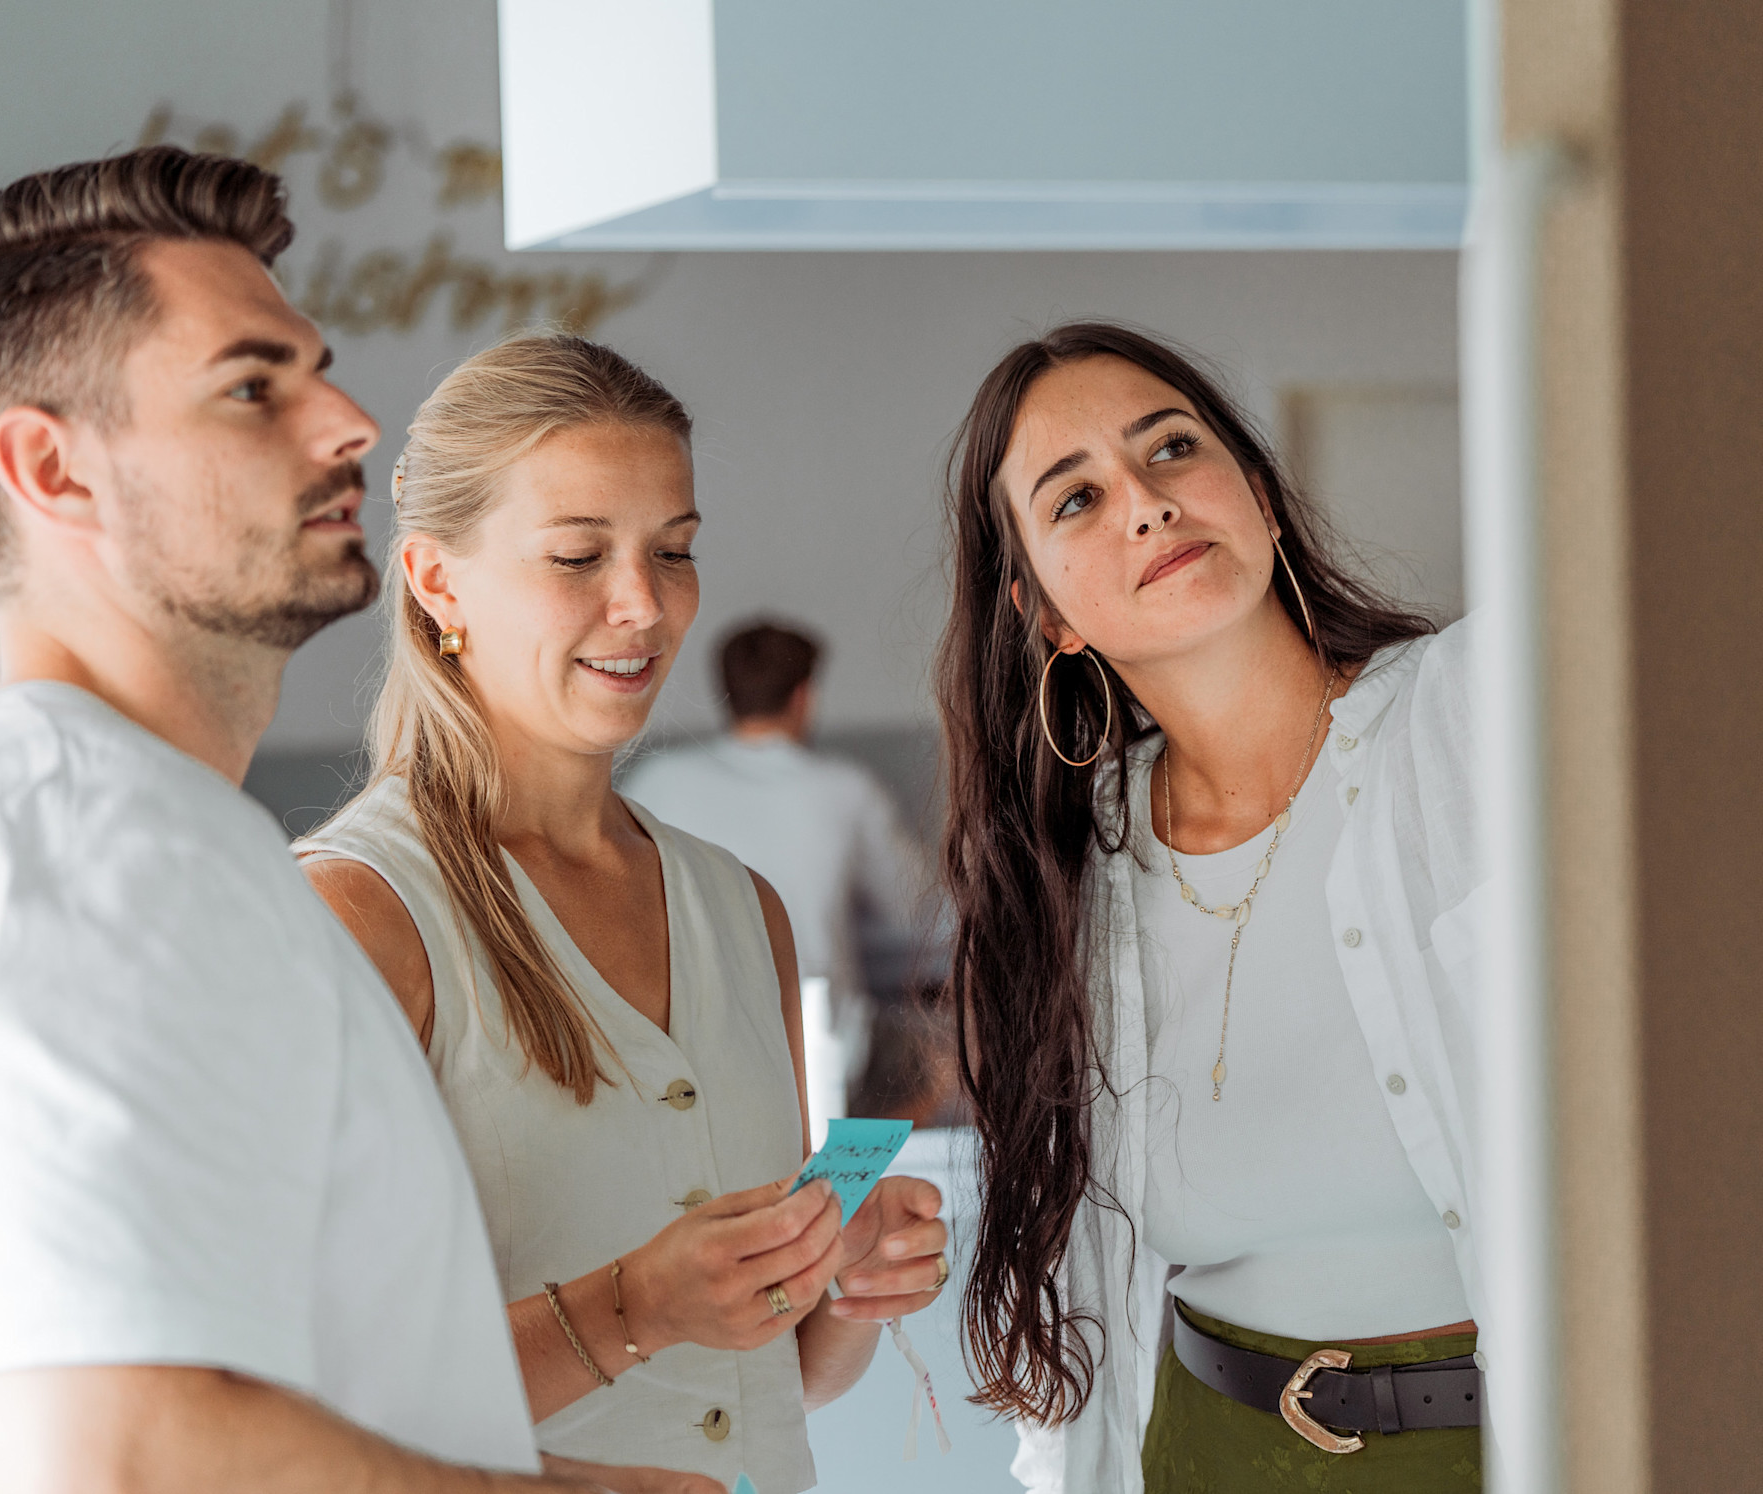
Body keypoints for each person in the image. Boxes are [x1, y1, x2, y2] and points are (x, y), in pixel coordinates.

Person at [0, 147, 695, 1494]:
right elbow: (127, 1458)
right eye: (255, 387)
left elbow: (212, 1402)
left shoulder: (104, 827)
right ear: (52, 468)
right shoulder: (88, 836)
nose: (351, 422)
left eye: (315, 368)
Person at [296, 335, 949, 1494]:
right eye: (575, 554)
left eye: (674, 549)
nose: (642, 605)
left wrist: (840, 1282)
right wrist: (631, 1306)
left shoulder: (739, 910)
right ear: (437, 581)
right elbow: (307, 1396)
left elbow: (772, 1375)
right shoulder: (356, 914)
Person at [936, 324, 1485, 1493]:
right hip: (1206, 1452)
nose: (1142, 502)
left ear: (1258, 497)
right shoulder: (1069, 882)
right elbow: (1076, 1290)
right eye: (1074, 498)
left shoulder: (1473, 721)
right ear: (1043, 612)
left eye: (1171, 448)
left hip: (1522, 1444)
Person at [620, 621, 937, 1124]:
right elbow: (918, 916)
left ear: (725, 691)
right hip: (819, 1054)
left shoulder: (655, 781)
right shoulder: (843, 788)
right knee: (933, 1061)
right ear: (805, 696)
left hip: (683, 1049)